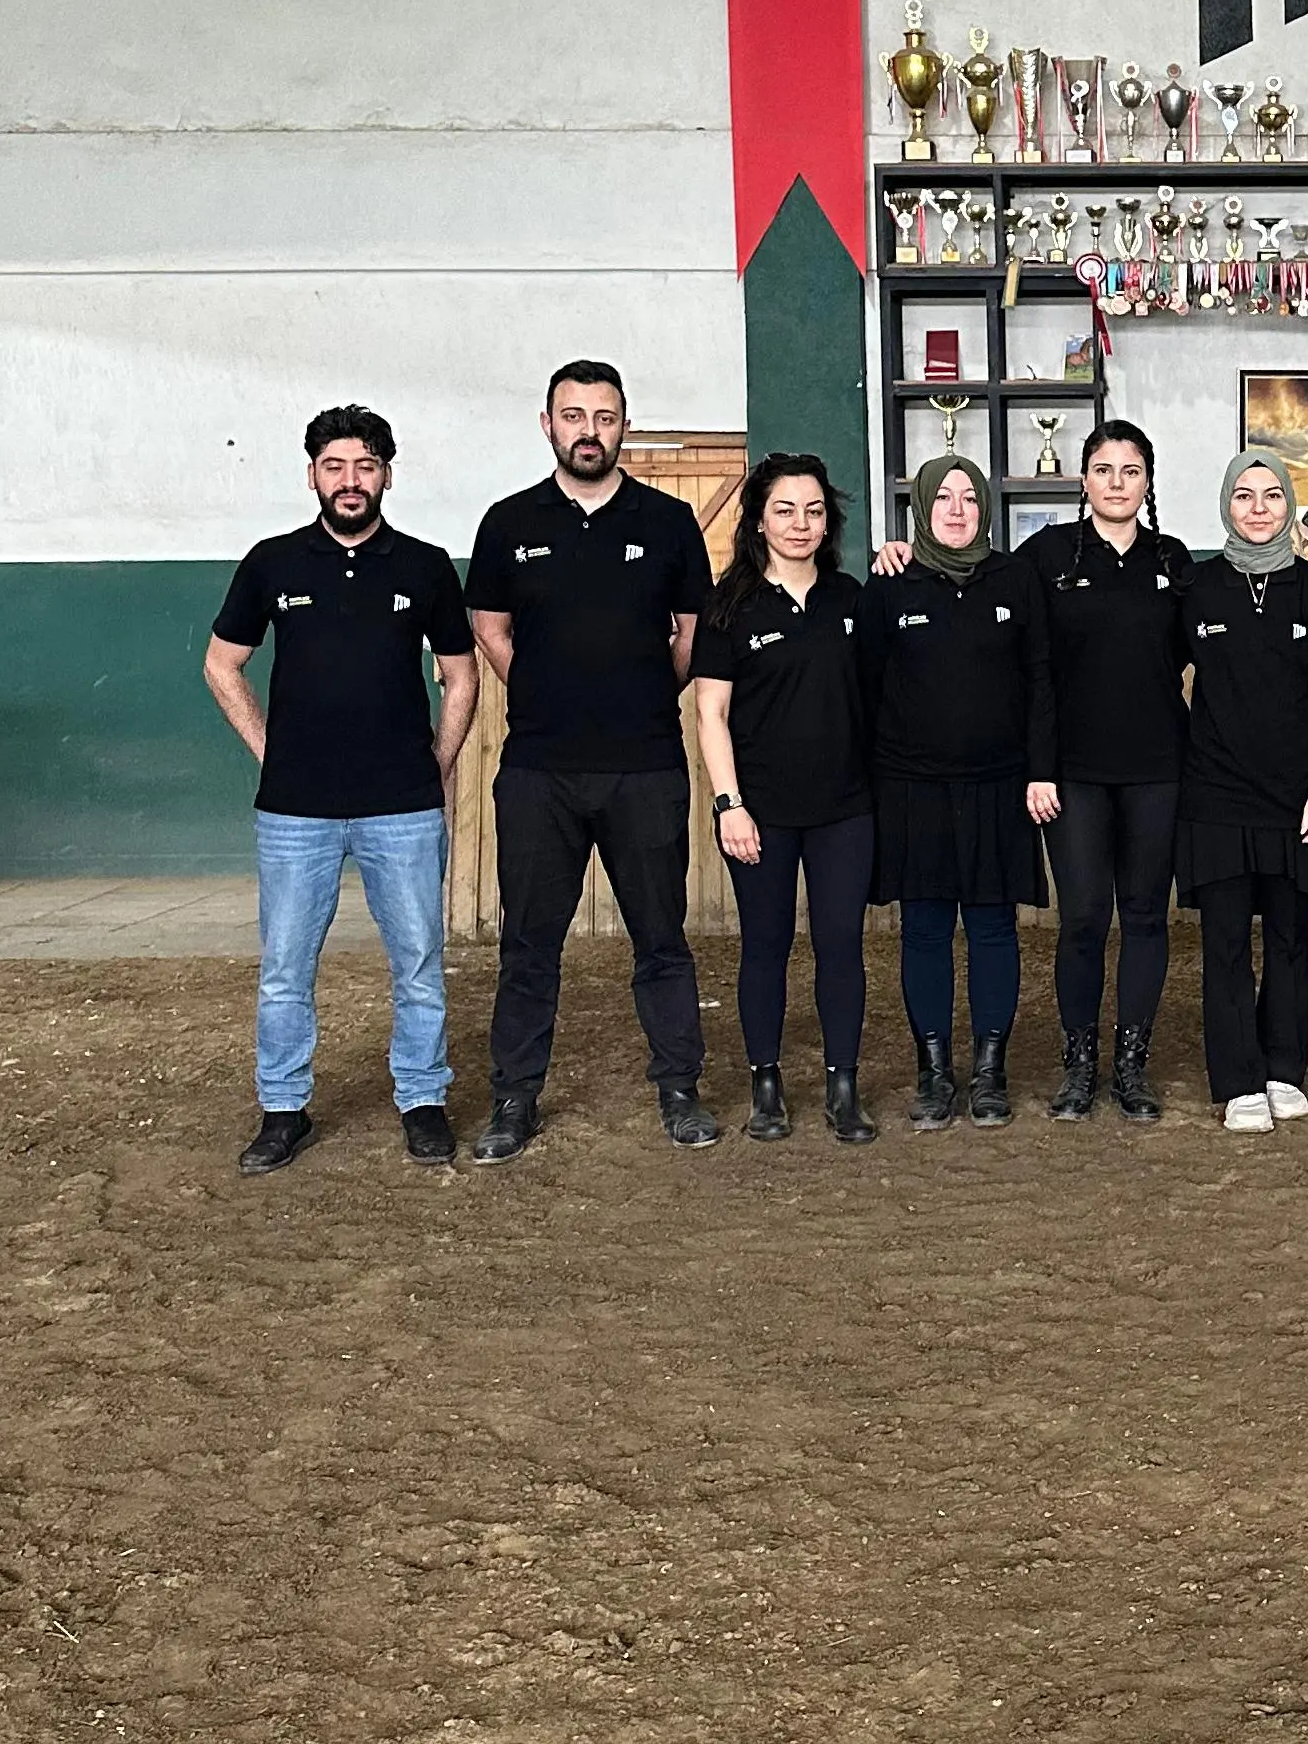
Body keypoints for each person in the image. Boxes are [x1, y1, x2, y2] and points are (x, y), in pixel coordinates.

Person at [204, 405, 478, 1173]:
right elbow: (221, 665)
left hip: (403, 807)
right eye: (335, 467)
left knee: (419, 960)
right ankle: (282, 1109)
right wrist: (271, 749)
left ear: (386, 473)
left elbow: (462, 678)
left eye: (364, 466)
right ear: (314, 475)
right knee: (286, 966)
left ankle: (423, 1100)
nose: (350, 481)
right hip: (296, 812)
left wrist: (438, 765)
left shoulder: (425, 566)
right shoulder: (272, 562)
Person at [464, 361, 718, 1159]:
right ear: (547, 424)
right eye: (572, 416)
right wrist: (544, 689)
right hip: (540, 769)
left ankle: (680, 1090)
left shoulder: (670, 522)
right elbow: (491, 628)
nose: (588, 430)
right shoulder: (508, 523)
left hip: (644, 764)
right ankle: (514, 1099)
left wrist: (639, 693)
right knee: (529, 943)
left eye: (604, 417)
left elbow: (689, 634)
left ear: (624, 426)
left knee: (661, 938)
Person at [692, 451, 877, 1148]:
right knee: (765, 948)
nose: (801, 524)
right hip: (760, 812)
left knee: (841, 947)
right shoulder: (729, 606)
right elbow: (710, 713)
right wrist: (727, 803)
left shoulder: (852, 598)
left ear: (829, 522)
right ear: (759, 522)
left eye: (814, 510)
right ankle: (765, 1087)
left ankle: (842, 1088)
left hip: (845, 809)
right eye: (784, 510)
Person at [863, 451, 1053, 1128]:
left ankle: (989, 1073)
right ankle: (935, 1073)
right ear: (920, 507)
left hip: (1000, 785)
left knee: (995, 927)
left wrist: (1040, 768)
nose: (956, 508)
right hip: (912, 788)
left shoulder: (1016, 579)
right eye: (943, 496)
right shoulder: (890, 582)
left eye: (968, 497)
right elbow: (866, 690)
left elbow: (1040, 682)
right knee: (925, 929)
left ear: (984, 508)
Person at [1025, 421, 1192, 1124]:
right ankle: (1078, 1068)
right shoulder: (1046, 555)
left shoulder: (1174, 560)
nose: (1117, 482)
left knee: (1148, 917)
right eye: (1103, 469)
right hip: (1074, 774)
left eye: (1130, 470)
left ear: (1148, 481)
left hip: (1159, 768)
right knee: (1085, 919)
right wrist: (1039, 769)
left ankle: (1131, 1067)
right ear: (1083, 479)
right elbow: (1032, 670)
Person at [1177, 447, 1308, 1130]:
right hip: (1215, 798)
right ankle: (1238, 1077)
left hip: (1295, 799)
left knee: (1288, 939)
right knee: (1222, 942)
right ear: (1226, 503)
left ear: (1288, 506)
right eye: (1244, 496)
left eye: (1271, 496)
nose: (1258, 509)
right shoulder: (1197, 588)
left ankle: (1282, 1067)